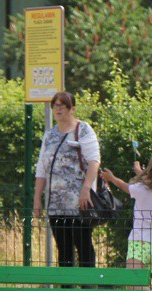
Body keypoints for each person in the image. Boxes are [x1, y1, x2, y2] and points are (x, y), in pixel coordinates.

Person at [33, 91, 101, 267]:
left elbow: (94, 162)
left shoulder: (83, 129)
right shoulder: (49, 135)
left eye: (63, 105)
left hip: (80, 204)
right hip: (56, 204)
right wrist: (37, 199)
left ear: (72, 109)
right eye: (56, 105)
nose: (58, 109)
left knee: (84, 247)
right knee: (63, 252)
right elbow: (41, 169)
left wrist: (86, 189)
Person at [100, 150, 152, 274]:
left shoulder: (140, 190)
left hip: (138, 243)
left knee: (134, 282)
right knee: (142, 283)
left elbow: (124, 186)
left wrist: (112, 178)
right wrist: (138, 170)